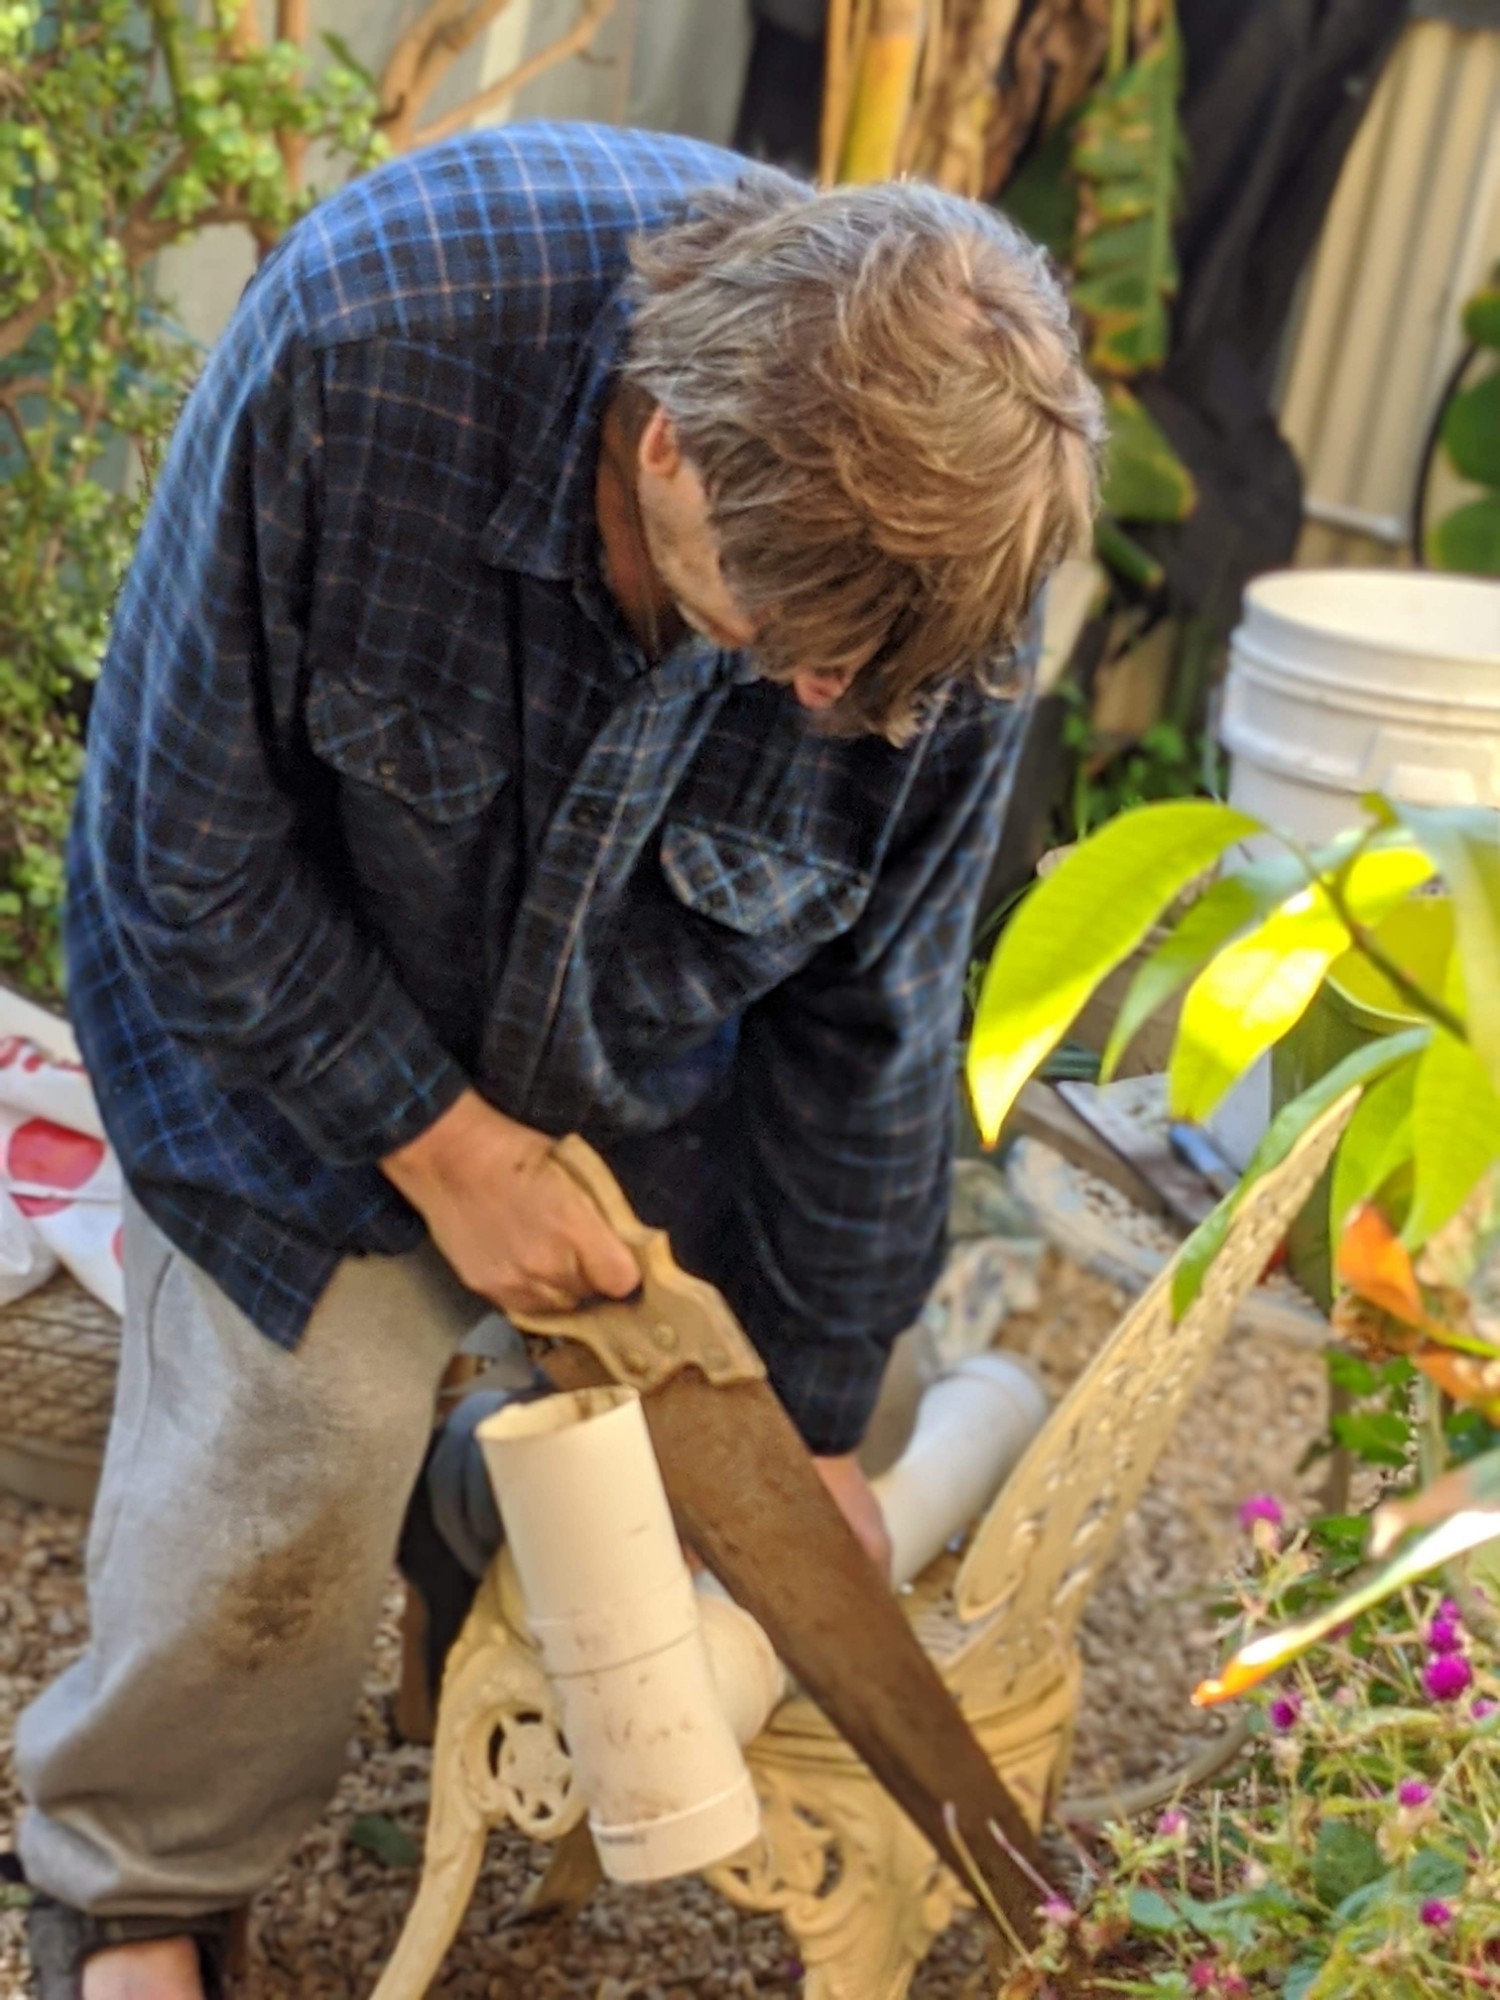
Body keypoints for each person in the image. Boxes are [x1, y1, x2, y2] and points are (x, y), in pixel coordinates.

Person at [13, 121, 1102, 1999]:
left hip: (638, 1051)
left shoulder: (938, 594)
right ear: (667, 438)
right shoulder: (372, 337)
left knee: (857, 1419)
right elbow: (177, 844)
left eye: (872, 676)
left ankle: (472, 1512)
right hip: (288, 1007)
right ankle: (138, 1884)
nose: (830, 703)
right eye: (792, 649)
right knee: (305, 1437)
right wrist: (438, 1149)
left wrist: (817, 1419)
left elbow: (871, 1016)